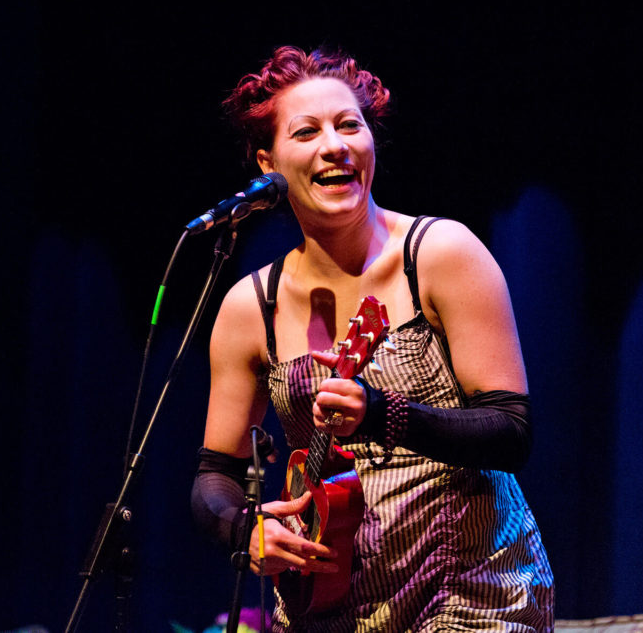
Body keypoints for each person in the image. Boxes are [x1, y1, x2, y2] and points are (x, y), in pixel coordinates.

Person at [191, 46, 554, 632]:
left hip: (470, 594)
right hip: (326, 607)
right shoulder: (248, 307)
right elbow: (215, 473)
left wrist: (384, 414)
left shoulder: (439, 254)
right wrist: (245, 527)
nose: (334, 145)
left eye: (349, 125)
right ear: (268, 166)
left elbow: (511, 431)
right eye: (306, 131)